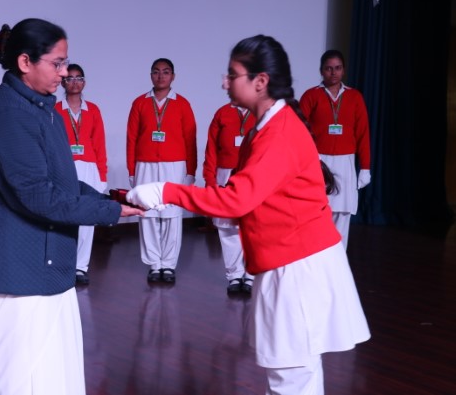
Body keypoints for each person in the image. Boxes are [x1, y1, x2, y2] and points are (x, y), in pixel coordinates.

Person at [127, 35, 370, 395]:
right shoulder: (267, 126)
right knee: (293, 377)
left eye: (232, 75)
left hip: (298, 268)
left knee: (292, 378)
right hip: (286, 263)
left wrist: (166, 191)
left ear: (260, 81)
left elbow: (237, 200)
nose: (224, 83)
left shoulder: (278, 131)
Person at [0, 19, 144, 395]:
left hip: (44, 272)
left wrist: (110, 199)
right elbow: (38, 196)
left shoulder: (42, 109)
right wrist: (109, 213)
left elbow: (61, 183)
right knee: (16, 384)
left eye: (66, 63)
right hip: (14, 278)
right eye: (57, 63)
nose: (64, 73)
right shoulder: (10, 114)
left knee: (54, 380)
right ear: (25, 62)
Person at [126, 58, 197, 283]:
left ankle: (169, 264)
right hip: (145, 164)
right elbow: (131, 138)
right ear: (151, 75)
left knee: (172, 215)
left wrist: (191, 170)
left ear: (173, 76)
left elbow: (190, 140)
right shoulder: (139, 103)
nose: (161, 76)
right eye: (156, 72)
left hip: (174, 165)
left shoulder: (182, 104)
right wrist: (131, 169)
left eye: (166, 72)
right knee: (147, 213)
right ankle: (154, 264)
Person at [299, 50, 371, 250]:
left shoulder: (355, 97)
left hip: (346, 161)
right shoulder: (311, 95)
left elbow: (363, 133)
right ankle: (317, 258)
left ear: (343, 70)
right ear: (321, 71)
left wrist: (365, 167)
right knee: (317, 211)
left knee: (342, 213)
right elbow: (299, 130)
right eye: (328, 68)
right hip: (319, 161)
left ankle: (338, 259)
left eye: (337, 68)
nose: (333, 73)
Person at [55, 64, 108, 285]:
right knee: (65, 216)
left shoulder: (93, 110)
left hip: (89, 168)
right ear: (63, 82)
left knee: (86, 218)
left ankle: (81, 266)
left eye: (79, 78)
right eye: (70, 78)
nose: (74, 82)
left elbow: (99, 144)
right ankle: (64, 264)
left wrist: (102, 176)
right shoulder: (55, 109)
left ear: (84, 82)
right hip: (64, 167)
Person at [203, 99, 256, 294]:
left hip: (253, 174)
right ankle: (234, 275)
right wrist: (210, 180)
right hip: (224, 174)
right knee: (227, 227)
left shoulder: (260, 111)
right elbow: (211, 149)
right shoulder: (222, 113)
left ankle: (251, 274)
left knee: (253, 226)